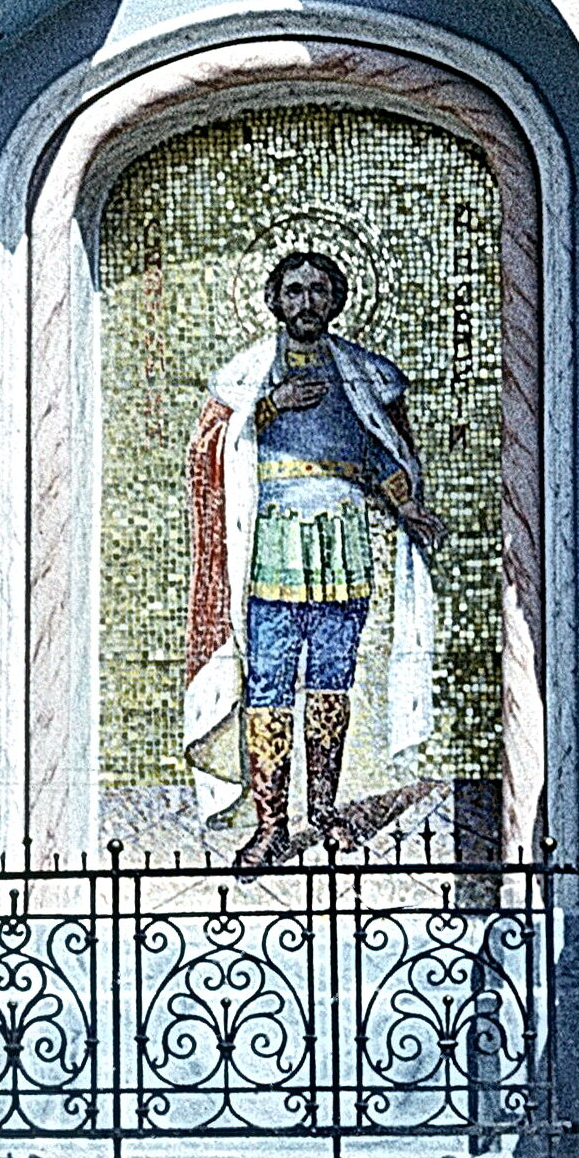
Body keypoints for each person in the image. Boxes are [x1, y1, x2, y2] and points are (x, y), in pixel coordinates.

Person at [181, 250, 445, 868]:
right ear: (275, 300)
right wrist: (271, 404)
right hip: (271, 545)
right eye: (294, 290)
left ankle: (323, 812)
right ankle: (272, 826)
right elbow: (215, 448)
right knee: (269, 685)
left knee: (331, 683)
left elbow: (381, 451)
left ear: (336, 300)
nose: (306, 302)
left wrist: (407, 505)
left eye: (318, 290)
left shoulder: (363, 375)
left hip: (342, 544)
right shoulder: (247, 375)